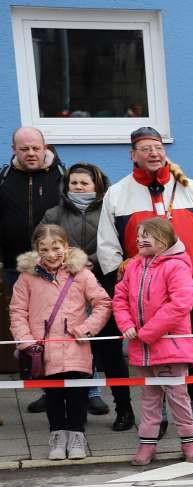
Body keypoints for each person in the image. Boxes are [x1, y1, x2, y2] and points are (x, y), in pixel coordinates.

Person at [97, 126, 193, 445]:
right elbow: (107, 246)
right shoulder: (118, 194)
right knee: (149, 356)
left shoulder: (190, 189)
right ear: (133, 154)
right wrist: (125, 283)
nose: (153, 152)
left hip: (187, 296)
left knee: (190, 354)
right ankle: (161, 418)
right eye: (145, 148)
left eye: (157, 146)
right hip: (143, 299)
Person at [39, 163, 134, 429]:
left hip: (105, 286)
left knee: (111, 352)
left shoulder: (111, 209)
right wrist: (69, 262)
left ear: (97, 186)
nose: (78, 188)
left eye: (84, 183)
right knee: (72, 349)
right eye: (74, 183)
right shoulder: (53, 213)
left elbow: (122, 245)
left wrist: (89, 261)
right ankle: (73, 411)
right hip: (64, 290)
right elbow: (40, 245)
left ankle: (124, 409)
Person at [9, 224, 111, 460]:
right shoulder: (27, 277)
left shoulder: (81, 274)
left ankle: (76, 434)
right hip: (42, 348)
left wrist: (87, 329)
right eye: (43, 249)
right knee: (53, 396)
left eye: (56, 248)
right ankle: (57, 434)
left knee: (77, 395)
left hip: (76, 345)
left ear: (66, 246)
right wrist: (27, 342)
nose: (51, 254)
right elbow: (17, 311)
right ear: (36, 250)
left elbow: (103, 303)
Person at [113, 218, 193, 465]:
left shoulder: (177, 266)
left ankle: (190, 442)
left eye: (147, 235)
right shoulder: (133, 267)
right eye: (139, 235)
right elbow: (119, 298)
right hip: (143, 348)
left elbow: (180, 304)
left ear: (164, 240)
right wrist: (127, 325)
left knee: (178, 398)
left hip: (169, 347)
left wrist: (147, 332)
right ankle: (147, 445)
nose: (139, 239)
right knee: (149, 398)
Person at [1, 127, 64, 408]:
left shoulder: (62, 176)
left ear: (44, 147)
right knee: (36, 330)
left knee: (69, 326)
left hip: (56, 267)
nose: (30, 153)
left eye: (35, 148)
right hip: (15, 267)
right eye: (24, 148)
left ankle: (90, 391)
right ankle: (48, 391)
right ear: (14, 149)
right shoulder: (3, 178)